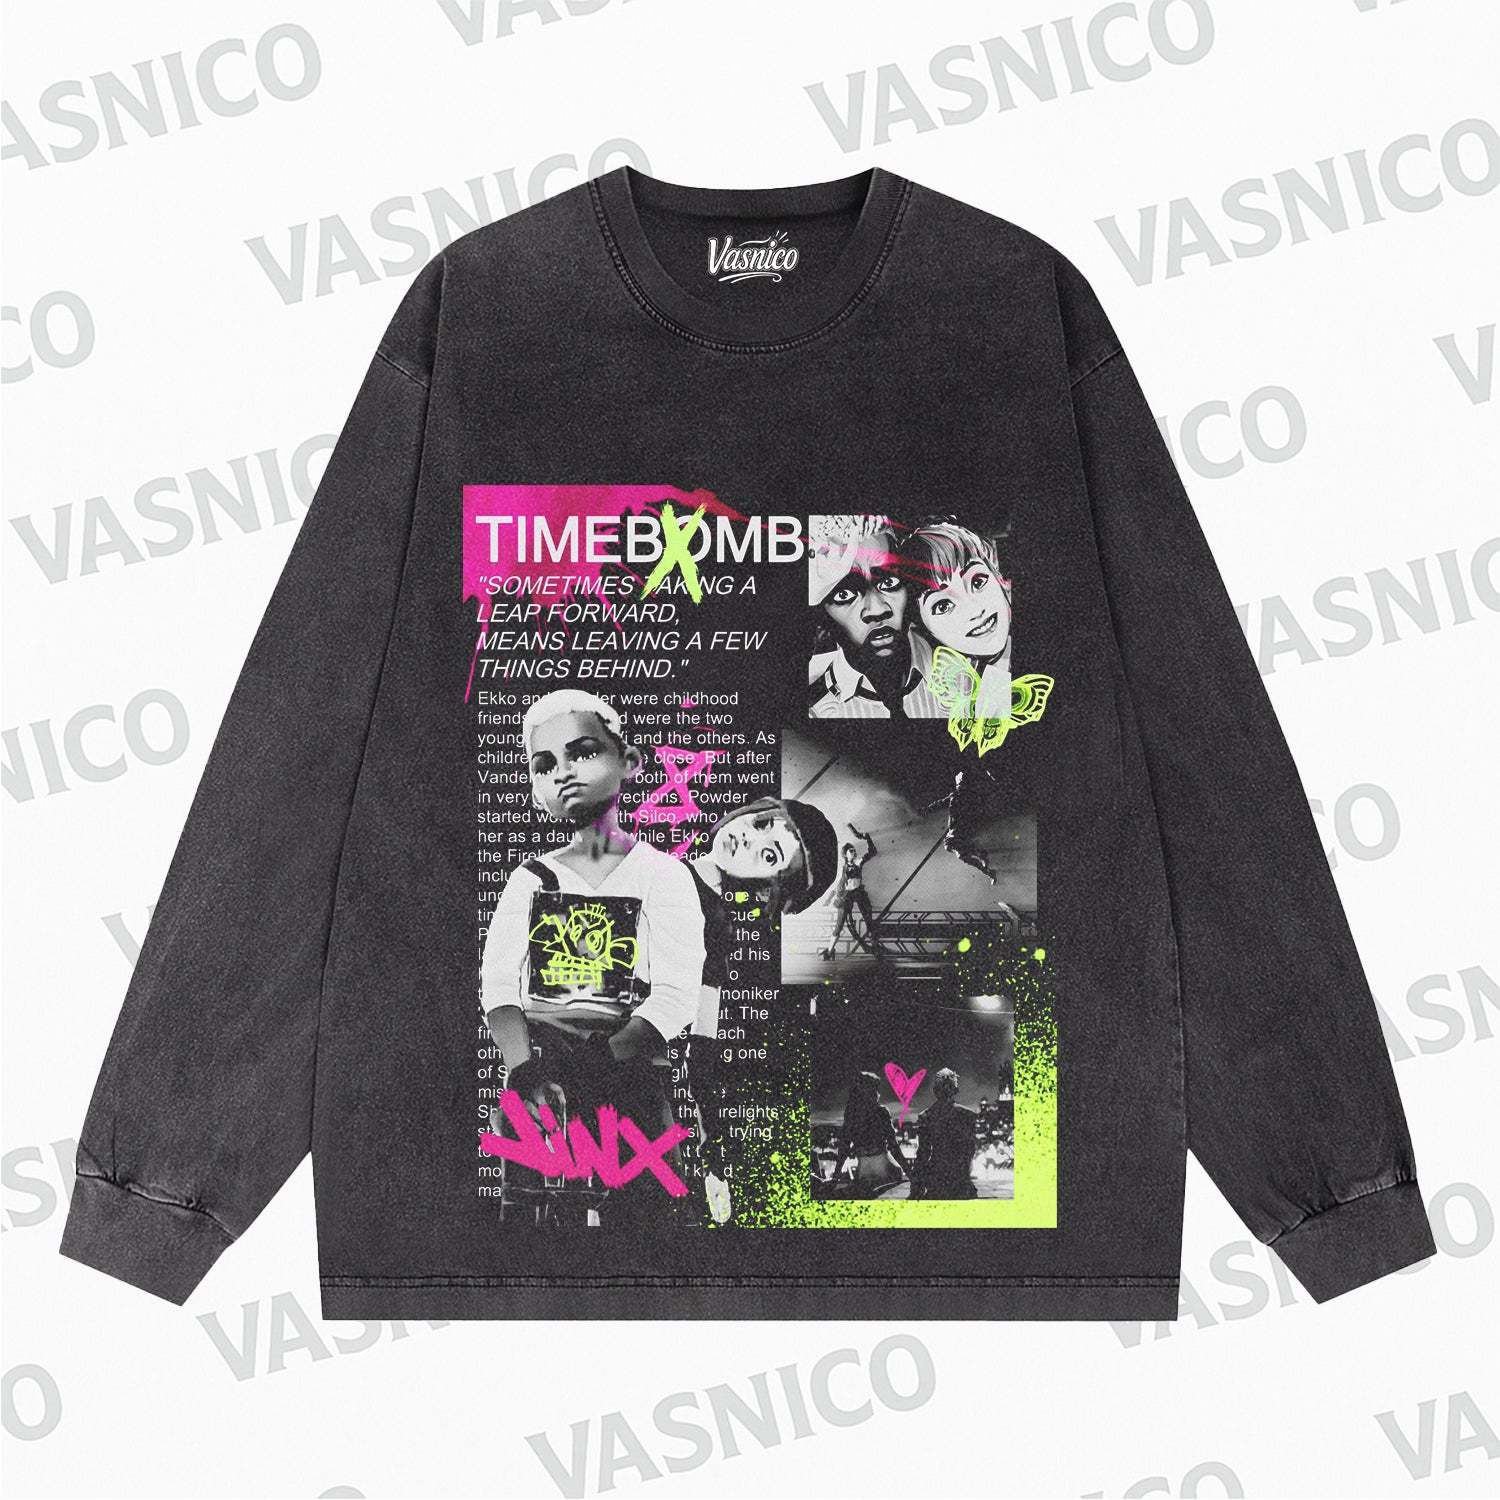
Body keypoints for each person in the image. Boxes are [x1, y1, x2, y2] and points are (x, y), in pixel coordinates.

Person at [479, 689, 707, 1223]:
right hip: (540, 1073)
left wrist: (596, 1062)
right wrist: (523, 1070)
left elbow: (676, 995)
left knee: (649, 1222)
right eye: (544, 765)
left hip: (629, 1075)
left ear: (629, 762)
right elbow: (498, 984)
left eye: (582, 752)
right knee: (532, 1225)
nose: (563, 772)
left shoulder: (664, 875)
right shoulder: (529, 878)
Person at [683, 795, 837, 1223]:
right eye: (764, 823)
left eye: (769, 856)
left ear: (769, 888)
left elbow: (702, 1041)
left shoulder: (713, 926)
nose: (750, 839)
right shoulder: (652, 863)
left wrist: (712, 1151)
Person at [807, 514, 945, 717]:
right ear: (820, 611)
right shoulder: (810, 703)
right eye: (844, 595)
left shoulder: (968, 669)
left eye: (888, 583)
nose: (877, 610)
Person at [830, 1071, 910, 1196]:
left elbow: (844, 1147)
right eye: (875, 1089)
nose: (878, 1093)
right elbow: (893, 1145)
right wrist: (910, 1173)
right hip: (885, 1168)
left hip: (863, 1171)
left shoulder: (851, 1113)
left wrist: (835, 1177)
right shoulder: (881, 1112)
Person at [910, 1068, 979, 1200]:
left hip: (937, 1178)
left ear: (935, 1091)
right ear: (955, 1090)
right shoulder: (967, 1114)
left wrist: (917, 1183)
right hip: (960, 1179)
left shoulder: (926, 1116)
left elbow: (923, 1153)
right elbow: (970, 1150)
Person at [820, 826, 885, 960]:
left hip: (859, 893)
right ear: (845, 854)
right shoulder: (842, 868)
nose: (854, 852)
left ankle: (876, 948)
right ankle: (830, 951)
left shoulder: (858, 862)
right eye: (851, 851)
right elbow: (837, 884)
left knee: (869, 921)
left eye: (854, 851)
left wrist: (867, 837)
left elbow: (872, 851)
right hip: (846, 896)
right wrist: (828, 898)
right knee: (839, 925)